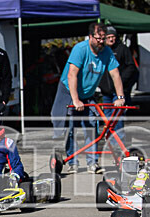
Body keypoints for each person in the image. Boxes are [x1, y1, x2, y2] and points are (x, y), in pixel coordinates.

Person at [50, 22, 125, 174]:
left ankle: (93, 163)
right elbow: (72, 75)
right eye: (98, 38)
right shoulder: (80, 49)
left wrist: (120, 96)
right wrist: (76, 100)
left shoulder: (107, 52)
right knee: (69, 128)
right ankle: (72, 162)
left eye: (103, 38)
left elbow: (115, 74)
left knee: (92, 126)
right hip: (68, 90)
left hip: (88, 93)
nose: (101, 41)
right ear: (90, 37)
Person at [100, 26, 138, 134]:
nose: (111, 39)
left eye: (113, 37)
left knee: (117, 117)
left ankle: (119, 141)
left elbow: (131, 67)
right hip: (106, 91)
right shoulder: (101, 50)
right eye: (108, 37)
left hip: (119, 90)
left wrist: (121, 79)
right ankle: (110, 141)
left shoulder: (122, 49)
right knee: (107, 118)